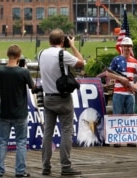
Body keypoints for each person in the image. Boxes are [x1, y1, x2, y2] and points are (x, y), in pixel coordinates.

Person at [39, 28, 84, 176]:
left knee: (47, 133)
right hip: (63, 98)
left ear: (49, 41)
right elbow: (81, 63)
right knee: (66, 132)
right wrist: (72, 45)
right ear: (62, 41)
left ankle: (45, 166)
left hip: (48, 97)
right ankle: (66, 166)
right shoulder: (62, 54)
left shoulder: (41, 54)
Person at [0, 45, 34, 177]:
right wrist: (26, 70)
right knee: (21, 142)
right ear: (19, 56)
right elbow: (33, 87)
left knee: (2, 142)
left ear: (8, 55)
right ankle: (20, 171)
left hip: (4, 112)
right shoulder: (23, 72)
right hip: (20, 113)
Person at [106, 37, 137, 148]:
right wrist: (121, 79)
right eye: (125, 46)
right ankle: (117, 139)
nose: (127, 48)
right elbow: (108, 73)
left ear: (131, 47)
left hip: (130, 93)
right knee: (117, 115)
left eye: (128, 46)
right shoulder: (116, 59)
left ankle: (130, 139)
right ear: (121, 47)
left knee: (130, 116)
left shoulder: (134, 61)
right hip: (118, 92)